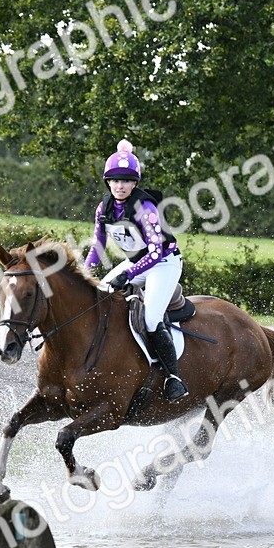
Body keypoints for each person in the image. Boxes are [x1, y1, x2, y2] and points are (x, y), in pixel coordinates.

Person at [84, 139, 188, 401]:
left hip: (164, 263)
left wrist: (127, 276)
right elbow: (98, 245)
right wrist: (83, 274)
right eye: (115, 180)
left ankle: (173, 378)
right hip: (136, 261)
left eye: (126, 181)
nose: (120, 185)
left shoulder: (145, 207)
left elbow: (155, 252)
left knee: (151, 318)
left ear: (135, 183)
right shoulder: (104, 207)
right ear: (108, 182)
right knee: (96, 298)